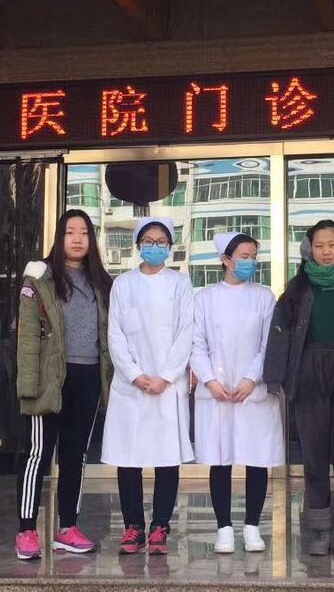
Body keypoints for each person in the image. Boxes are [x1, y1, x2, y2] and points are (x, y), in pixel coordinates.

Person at [265, 219, 334, 557]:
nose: (326, 252)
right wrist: (276, 376)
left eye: (332, 245)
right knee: (313, 454)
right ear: (308, 250)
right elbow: (280, 332)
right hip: (308, 371)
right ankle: (317, 527)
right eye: (319, 246)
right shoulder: (297, 289)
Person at [14, 209, 112, 560]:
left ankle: (67, 528)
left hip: (89, 376)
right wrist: (28, 386)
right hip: (50, 378)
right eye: (70, 232)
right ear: (59, 237)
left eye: (84, 232)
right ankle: (27, 530)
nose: (77, 238)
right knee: (38, 454)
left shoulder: (102, 282)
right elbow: (27, 336)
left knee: (76, 455)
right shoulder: (40, 277)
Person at [100, 216, 195, 555]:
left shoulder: (180, 284)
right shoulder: (123, 284)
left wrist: (166, 375)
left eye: (161, 242)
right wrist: (135, 375)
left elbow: (186, 332)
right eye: (149, 241)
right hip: (132, 386)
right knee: (129, 457)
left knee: (167, 457)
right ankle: (133, 527)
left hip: (168, 384)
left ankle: (160, 527)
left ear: (170, 247)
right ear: (138, 245)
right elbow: (115, 334)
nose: (155, 247)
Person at [191, 232, 285, 554]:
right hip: (217, 393)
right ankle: (224, 528)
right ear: (225, 260)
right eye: (244, 256)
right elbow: (196, 344)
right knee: (220, 460)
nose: (250, 262)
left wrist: (250, 379)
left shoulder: (264, 297)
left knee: (256, 459)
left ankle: (252, 526)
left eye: (253, 257)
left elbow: (268, 345)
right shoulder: (205, 298)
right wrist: (210, 381)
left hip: (252, 392)